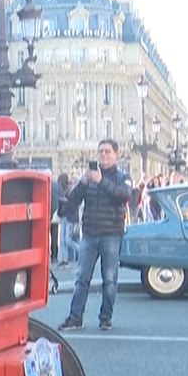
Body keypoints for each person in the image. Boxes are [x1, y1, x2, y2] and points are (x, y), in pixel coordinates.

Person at [60, 139, 132, 332]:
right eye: (100, 152)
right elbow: (72, 201)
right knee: (82, 278)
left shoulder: (122, 177)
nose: (103, 155)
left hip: (111, 234)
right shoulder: (89, 178)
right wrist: (83, 183)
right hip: (90, 234)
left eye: (108, 152)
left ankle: (105, 318)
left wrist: (101, 181)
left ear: (116, 154)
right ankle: (76, 317)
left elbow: (124, 195)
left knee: (109, 279)